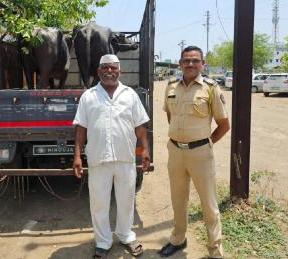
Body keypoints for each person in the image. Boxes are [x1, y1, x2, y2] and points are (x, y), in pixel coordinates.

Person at [72, 54, 151, 259]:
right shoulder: (89, 96)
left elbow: (140, 126)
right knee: (99, 203)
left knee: (126, 200)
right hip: (99, 159)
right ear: (98, 72)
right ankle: (103, 242)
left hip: (125, 159)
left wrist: (145, 150)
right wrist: (77, 156)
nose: (109, 71)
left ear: (119, 71)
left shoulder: (130, 95)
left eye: (113, 68)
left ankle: (126, 235)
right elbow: (81, 128)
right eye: (105, 68)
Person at [159, 46, 230, 259]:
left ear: (202, 64)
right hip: (175, 152)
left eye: (195, 61)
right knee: (178, 200)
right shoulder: (171, 86)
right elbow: (171, 116)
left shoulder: (210, 88)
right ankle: (178, 240)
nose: (190, 64)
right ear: (180, 64)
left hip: (200, 153)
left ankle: (215, 250)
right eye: (186, 61)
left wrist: (206, 143)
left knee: (209, 204)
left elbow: (224, 125)